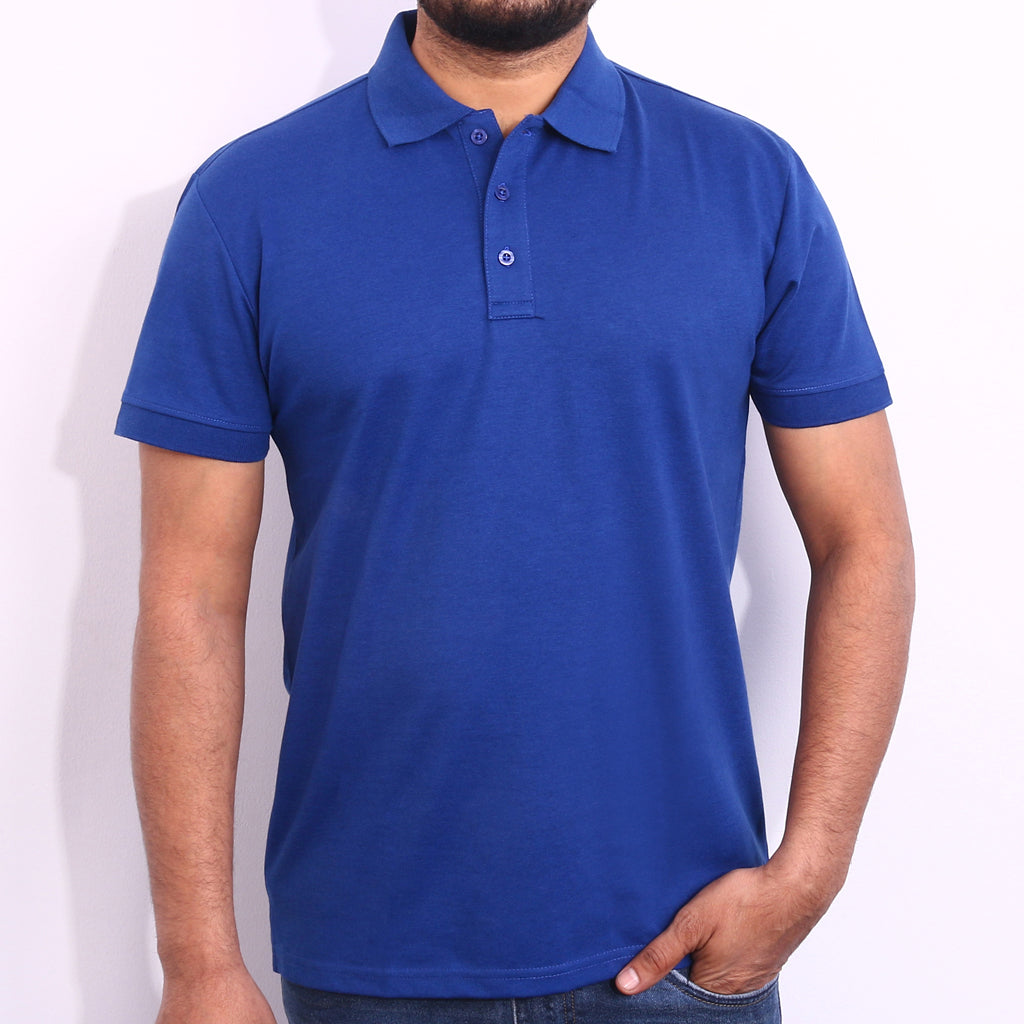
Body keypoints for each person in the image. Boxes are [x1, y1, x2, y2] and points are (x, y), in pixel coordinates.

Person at [115, 2, 915, 1022]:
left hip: (685, 947)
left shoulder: (751, 182)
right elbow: (188, 596)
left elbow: (865, 540)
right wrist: (197, 961)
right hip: (369, 957)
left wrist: (811, 868)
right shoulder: (248, 200)